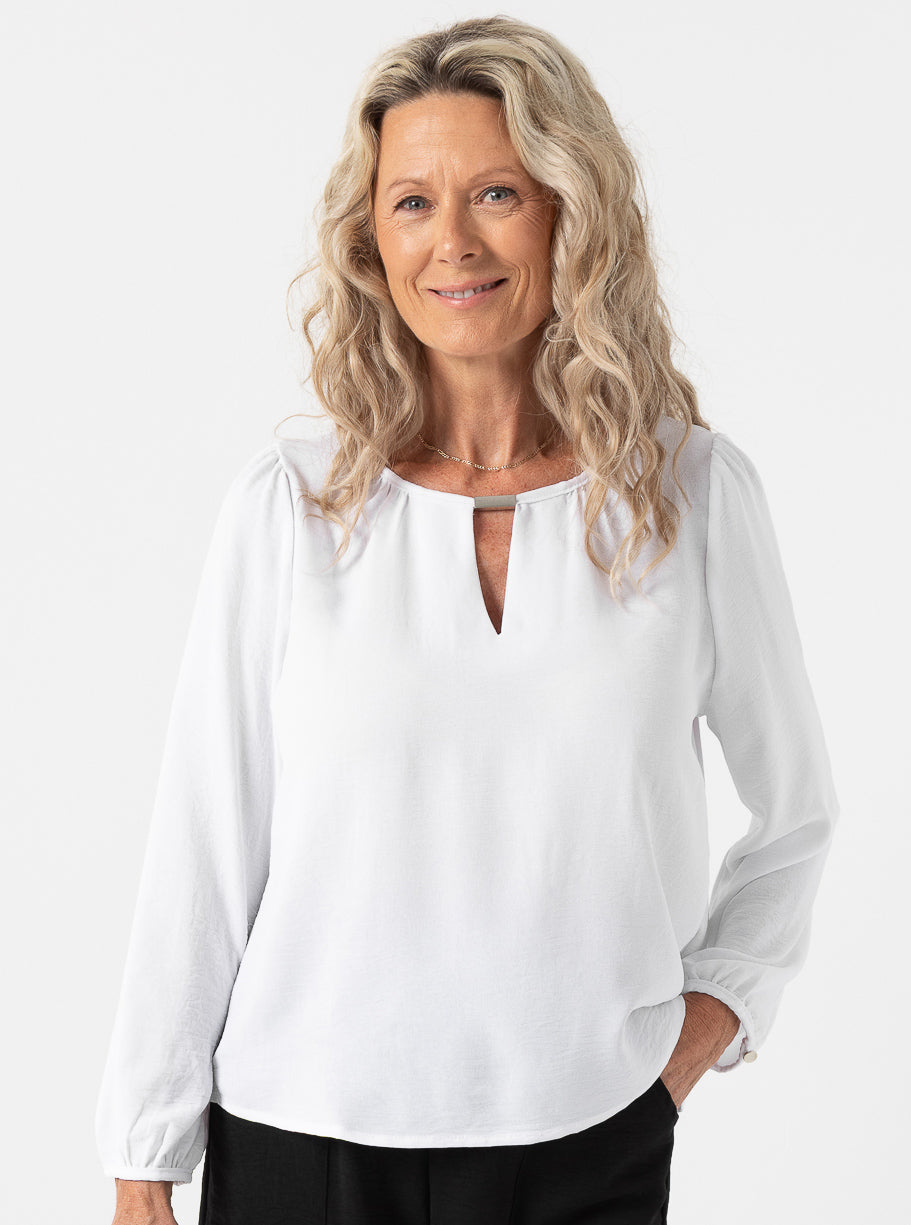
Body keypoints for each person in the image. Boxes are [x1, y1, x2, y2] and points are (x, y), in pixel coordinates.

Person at [96, 16, 840, 1225]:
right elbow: (202, 845)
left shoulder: (692, 498)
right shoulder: (292, 507)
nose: (452, 241)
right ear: (371, 240)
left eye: (495, 192)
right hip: (300, 1142)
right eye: (411, 203)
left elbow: (794, 815)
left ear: (566, 211)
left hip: (587, 1141)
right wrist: (142, 1162)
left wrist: (692, 1037)